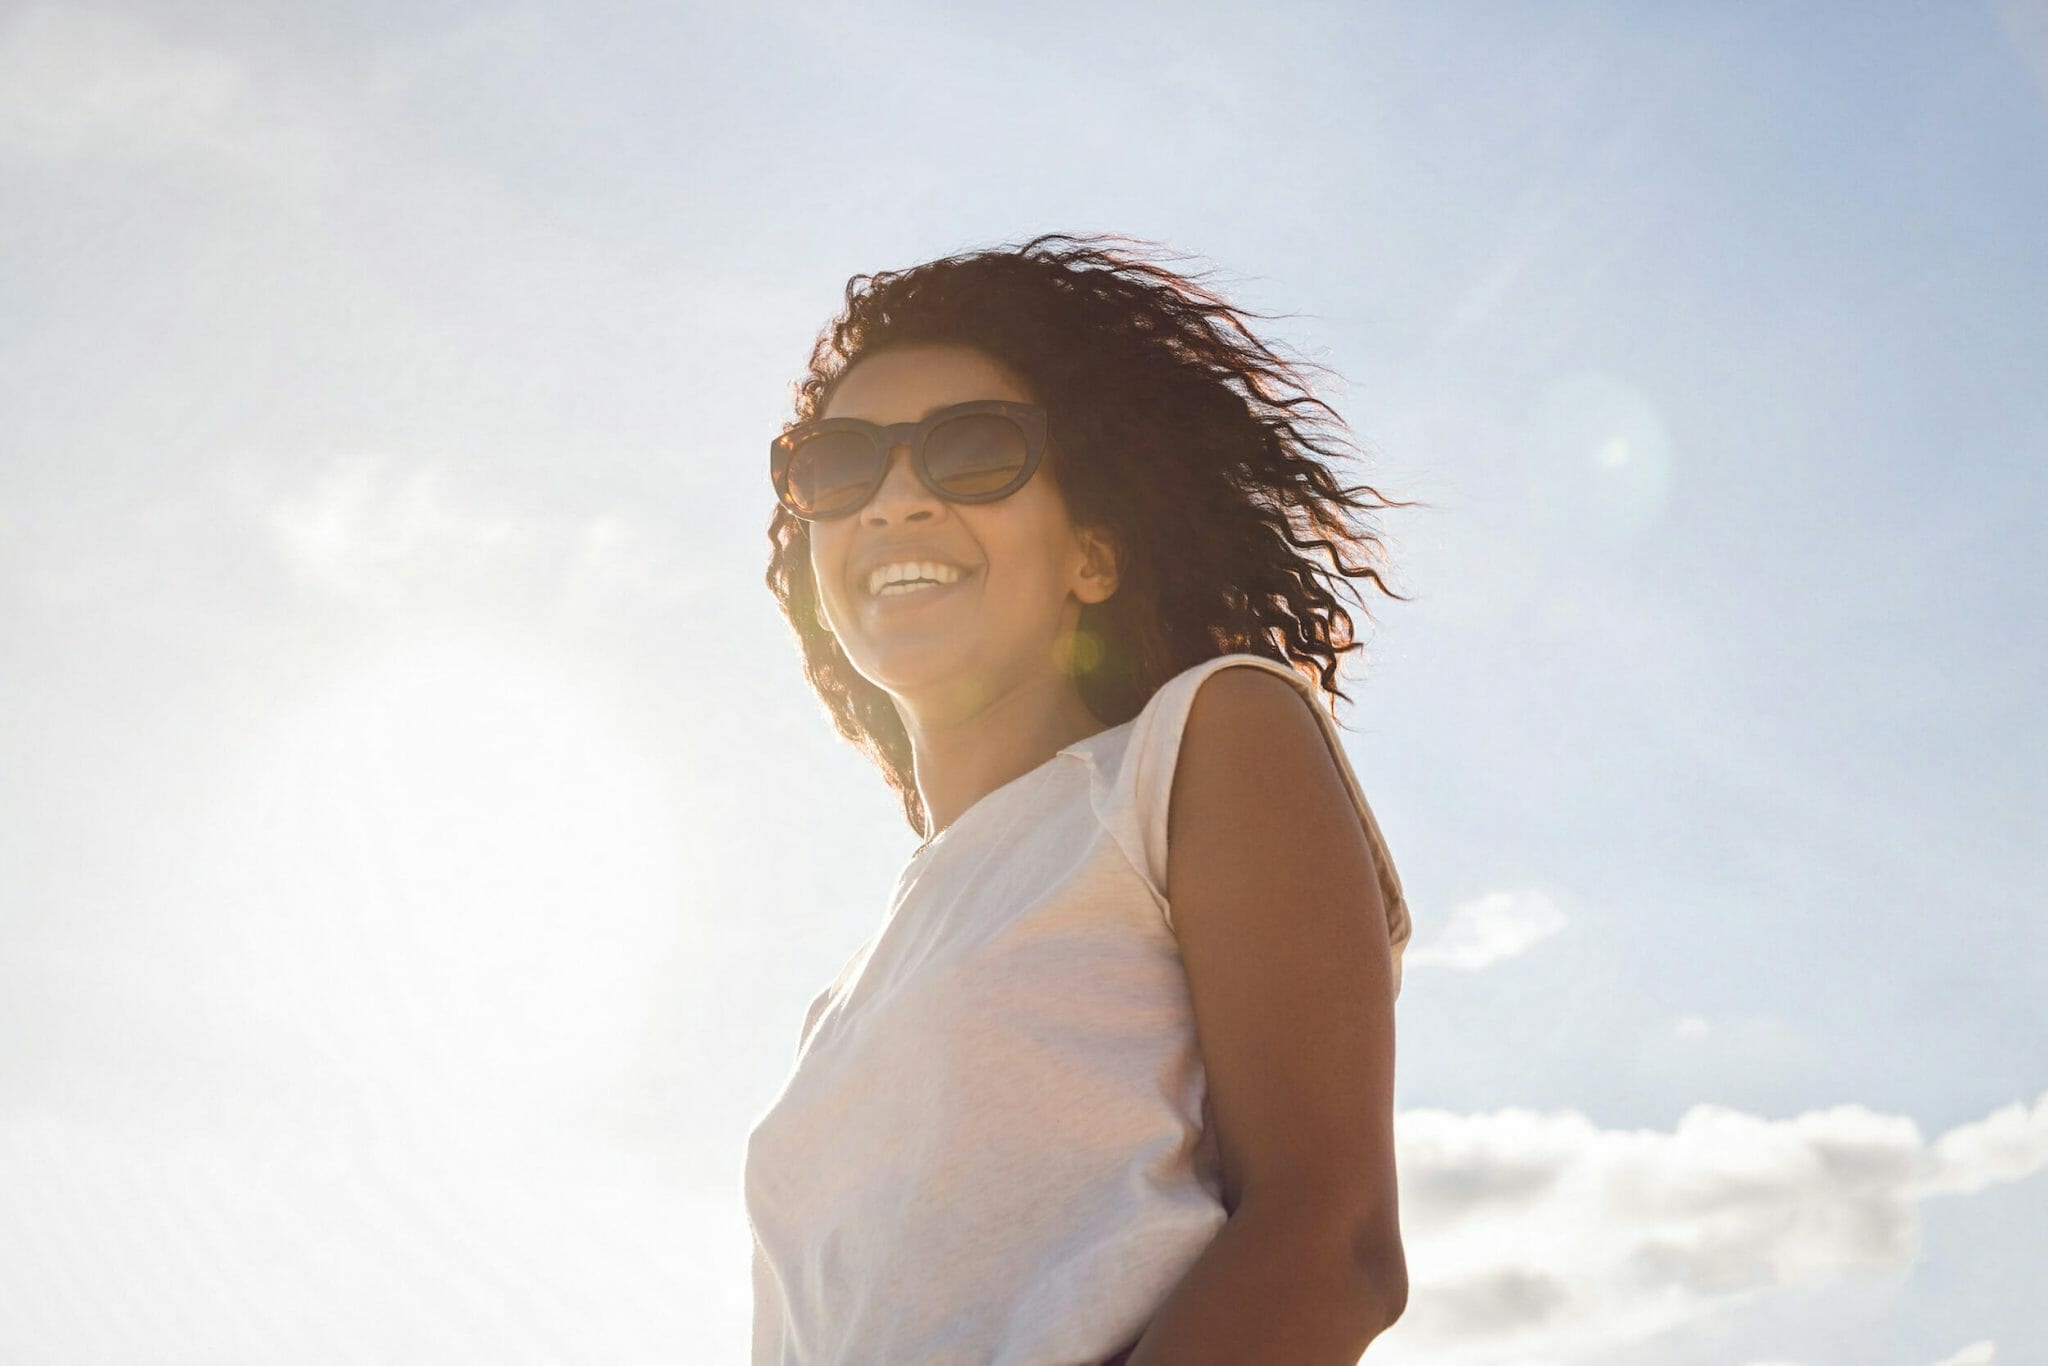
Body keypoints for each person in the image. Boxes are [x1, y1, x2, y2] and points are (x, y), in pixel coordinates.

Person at [746, 233, 1418, 1364]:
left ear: (1093, 554)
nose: (892, 501)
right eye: (840, 465)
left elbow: (1330, 1236)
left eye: (971, 452)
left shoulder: (1200, 739)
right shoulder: (846, 1000)